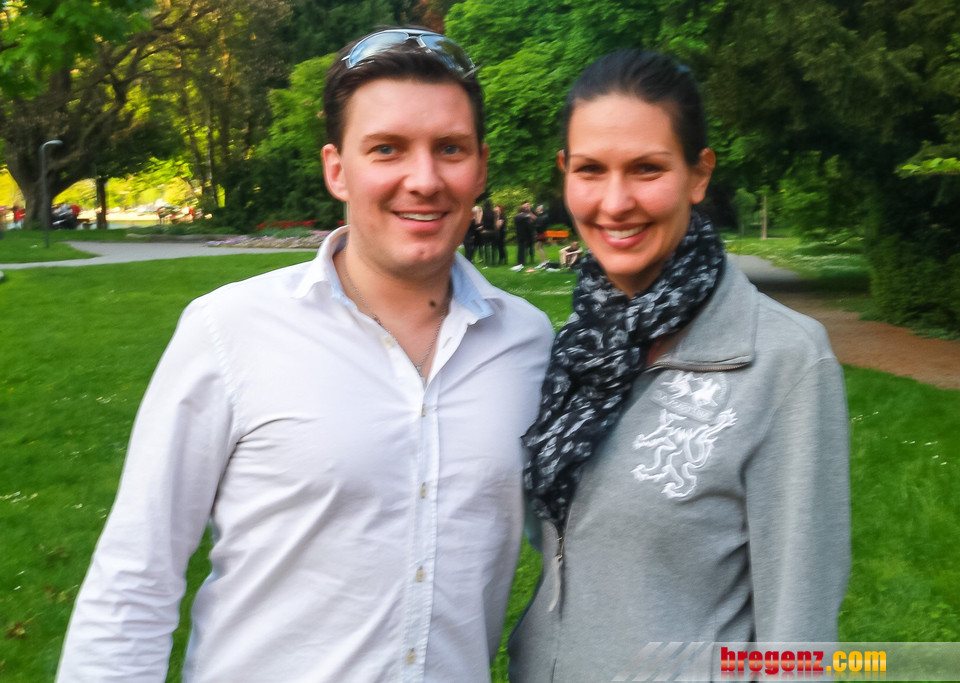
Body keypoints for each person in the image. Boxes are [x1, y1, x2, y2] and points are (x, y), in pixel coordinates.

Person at [57, 28, 553, 682]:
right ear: (336, 168)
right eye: (387, 148)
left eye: (450, 149)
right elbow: (133, 579)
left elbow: (585, 551)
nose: (424, 179)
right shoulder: (229, 330)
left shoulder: (529, 344)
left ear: (481, 168)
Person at [508, 49, 850, 681]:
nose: (615, 202)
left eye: (646, 168)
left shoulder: (785, 361)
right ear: (564, 174)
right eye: (591, 169)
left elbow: (800, 640)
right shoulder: (577, 349)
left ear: (698, 175)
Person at [514, 201, 536, 268]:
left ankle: (519, 261)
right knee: (524, 248)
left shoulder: (516, 216)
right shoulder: (526, 217)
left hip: (519, 234)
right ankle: (523, 261)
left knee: (520, 248)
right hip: (525, 234)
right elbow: (529, 224)